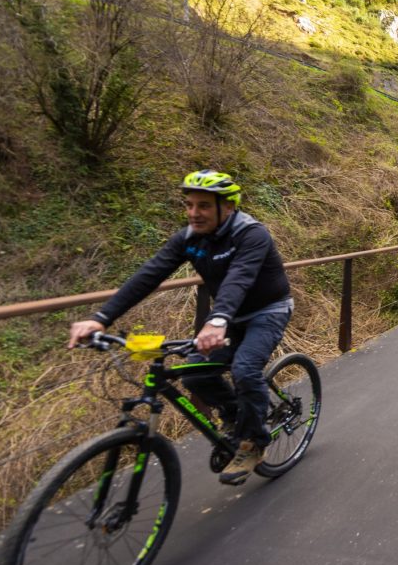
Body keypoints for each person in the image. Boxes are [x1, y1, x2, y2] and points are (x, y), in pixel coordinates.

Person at [68, 170, 293, 486]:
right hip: (229, 317)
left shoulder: (252, 234)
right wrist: (101, 318)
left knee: (244, 370)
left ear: (227, 207)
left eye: (203, 206)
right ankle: (234, 418)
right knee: (194, 372)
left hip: (266, 311)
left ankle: (253, 442)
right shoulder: (189, 238)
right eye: (188, 205)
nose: (193, 213)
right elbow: (149, 275)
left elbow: (239, 277)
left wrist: (217, 319)